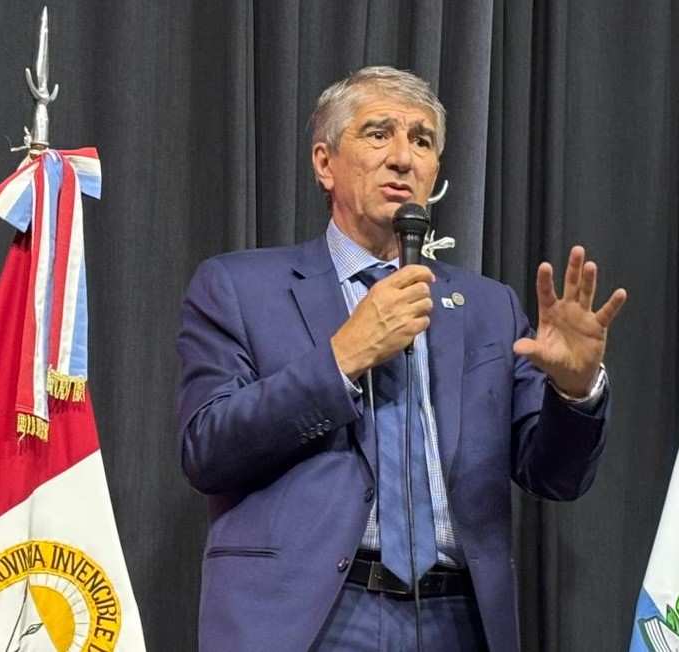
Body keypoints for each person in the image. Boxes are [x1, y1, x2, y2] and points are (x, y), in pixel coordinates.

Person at [176, 65, 627, 651]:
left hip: (456, 619)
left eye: (422, 141)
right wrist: (342, 358)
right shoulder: (239, 287)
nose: (402, 158)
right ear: (324, 163)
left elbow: (556, 477)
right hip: (310, 619)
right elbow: (206, 448)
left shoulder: (488, 307)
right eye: (377, 133)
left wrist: (574, 391)